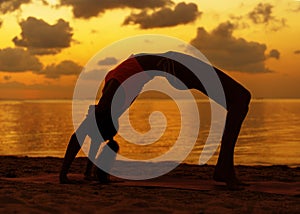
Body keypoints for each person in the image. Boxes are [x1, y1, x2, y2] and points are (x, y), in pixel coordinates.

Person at [59, 51, 251, 190]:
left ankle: (224, 167)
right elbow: (89, 134)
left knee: (240, 98)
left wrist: (65, 175)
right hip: (173, 66)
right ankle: (225, 168)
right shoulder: (109, 104)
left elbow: (84, 135)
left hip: (172, 64)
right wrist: (81, 172)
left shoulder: (111, 97)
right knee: (240, 98)